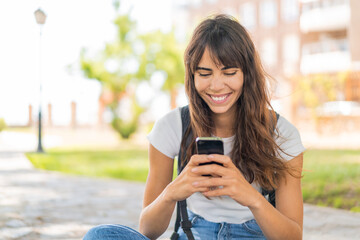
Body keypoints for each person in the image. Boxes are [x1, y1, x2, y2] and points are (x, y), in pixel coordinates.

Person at [83, 14, 305, 240]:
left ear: (247, 74)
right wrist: (172, 192)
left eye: (229, 73)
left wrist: (251, 197)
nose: (217, 86)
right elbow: (148, 230)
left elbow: (293, 236)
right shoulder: (172, 127)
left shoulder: (282, 134)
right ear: (192, 75)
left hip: (254, 234)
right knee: (100, 235)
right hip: (194, 233)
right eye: (205, 73)